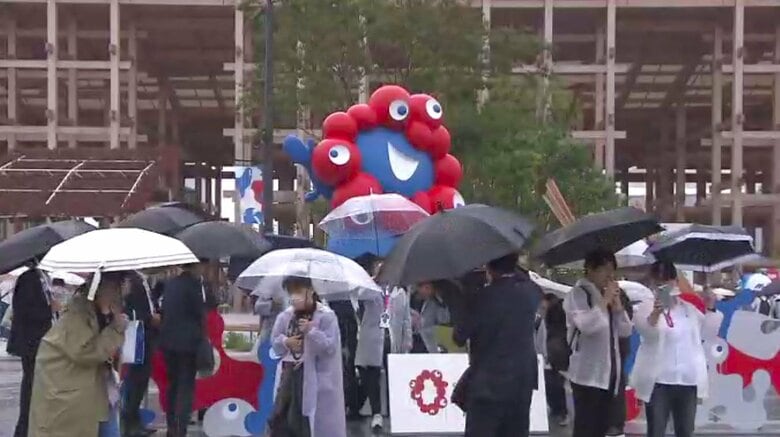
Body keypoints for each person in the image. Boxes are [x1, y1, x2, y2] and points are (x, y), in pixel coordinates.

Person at [28, 272, 128, 437]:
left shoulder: (94, 310)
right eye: (119, 289)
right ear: (105, 289)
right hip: (68, 399)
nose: (121, 296)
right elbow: (85, 353)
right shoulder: (78, 312)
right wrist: (116, 329)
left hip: (95, 395)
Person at [452, 253, 542, 437]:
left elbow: (459, 336)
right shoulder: (531, 292)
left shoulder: (481, 297)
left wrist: (465, 294)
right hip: (521, 380)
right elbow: (528, 282)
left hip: (488, 383)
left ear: (489, 267)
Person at [631, 261, 723, 437]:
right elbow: (648, 334)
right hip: (659, 382)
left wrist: (710, 307)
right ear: (652, 283)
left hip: (687, 381)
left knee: (685, 431)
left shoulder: (687, 309)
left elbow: (708, 332)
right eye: (658, 282)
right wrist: (656, 313)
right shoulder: (645, 307)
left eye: (668, 281)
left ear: (675, 281)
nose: (663, 286)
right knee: (656, 430)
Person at [563, 249, 633, 437]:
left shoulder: (610, 295)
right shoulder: (578, 294)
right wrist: (604, 301)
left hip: (610, 374)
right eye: (604, 269)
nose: (609, 276)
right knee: (586, 428)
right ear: (590, 270)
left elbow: (626, 331)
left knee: (604, 428)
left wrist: (618, 307)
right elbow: (588, 327)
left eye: (612, 270)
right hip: (587, 375)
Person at [270, 276, 346, 437]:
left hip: (316, 379)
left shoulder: (326, 316)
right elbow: (275, 342)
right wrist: (286, 341)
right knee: (282, 419)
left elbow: (330, 347)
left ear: (310, 291)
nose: (294, 297)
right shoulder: (286, 316)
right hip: (289, 376)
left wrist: (311, 332)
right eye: (291, 292)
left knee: (308, 423)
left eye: (298, 291)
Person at [355, 260, 413, 430]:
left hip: (392, 340)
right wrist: (370, 281)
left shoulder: (400, 293)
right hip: (372, 341)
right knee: (371, 377)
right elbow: (357, 298)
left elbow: (405, 320)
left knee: (393, 378)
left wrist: (407, 341)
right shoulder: (369, 291)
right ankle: (377, 414)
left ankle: (394, 412)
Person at [8, 265, 58, 437]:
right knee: (30, 386)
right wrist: (49, 309)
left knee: (35, 386)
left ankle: (31, 426)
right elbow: (25, 311)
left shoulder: (41, 278)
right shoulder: (30, 279)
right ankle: (24, 429)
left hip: (38, 340)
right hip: (31, 342)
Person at [159, 263, 207, 437]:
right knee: (185, 387)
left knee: (173, 385)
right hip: (188, 344)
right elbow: (199, 313)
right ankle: (180, 428)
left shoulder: (171, 284)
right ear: (197, 267)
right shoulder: (194, 285)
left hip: (168, 342)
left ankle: (171, 426)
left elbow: (164, 310)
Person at [122, 270, 160, 437]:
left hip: (148, 334)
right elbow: (133, 310)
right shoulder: (132, 280)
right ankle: (129, 423)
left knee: (142, 380)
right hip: (138, 334)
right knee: (135, 380)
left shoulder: (143, 280)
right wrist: (149, 318)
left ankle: (135, 420)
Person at [536, 293, 569, 427]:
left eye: (543, 307)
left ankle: (562, 412)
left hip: (554, 358)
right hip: (545, 358)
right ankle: (555, 410)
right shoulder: (542, 321)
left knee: (556, 385)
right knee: (550, 386)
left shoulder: (556, 320)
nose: (541, 309)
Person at [411, 280, 451, 353]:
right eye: (426, 288)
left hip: (428, 344)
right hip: (411, 343)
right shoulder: (409, 301)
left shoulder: (434, 303)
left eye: (430, 288)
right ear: (418, 287)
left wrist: (441, 301)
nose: (429, 291)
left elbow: (445, 319)